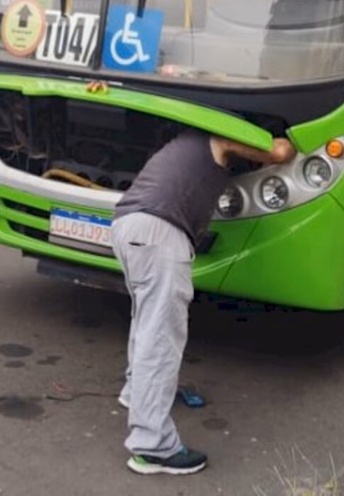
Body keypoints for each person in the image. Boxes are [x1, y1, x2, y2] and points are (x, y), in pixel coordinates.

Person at [112, 127, 296, 476]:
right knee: (161, 338)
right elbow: (278, 153)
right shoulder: (216, 137)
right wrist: (287, 139)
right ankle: (152, 448)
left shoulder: (179, 144)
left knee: (146, 322)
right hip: (159, 233)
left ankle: (135, 393)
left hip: (127, 226)